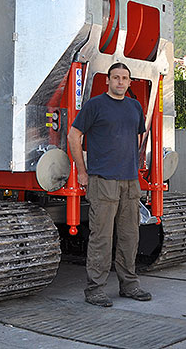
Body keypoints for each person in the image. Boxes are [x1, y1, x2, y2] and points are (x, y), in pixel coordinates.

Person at [68, 62, 152, 307]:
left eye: (124, 78)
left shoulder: (135, 107)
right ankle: (95, 289)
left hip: (130, 181)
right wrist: (82, 171)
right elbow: (74, 136)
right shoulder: (95, 105)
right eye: (115, 77)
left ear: (129, 81)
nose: (120, 82)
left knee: (130, 235)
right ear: (107, 80)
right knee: (102, 237)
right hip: (103, 180)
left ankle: (129, 285)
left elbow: (139, 136)